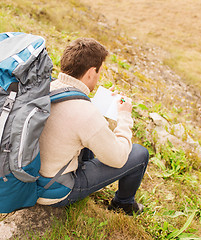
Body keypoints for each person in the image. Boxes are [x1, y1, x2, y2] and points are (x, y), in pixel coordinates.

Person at [38, 38, 149, 215]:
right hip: (53, 190)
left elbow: (70, 116)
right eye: (99, 73)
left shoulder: (47, 86)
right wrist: (124, 116)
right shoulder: (86, 113)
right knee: (139, 154)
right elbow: (119, 158)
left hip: (28, 178)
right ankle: (123, 204)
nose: (98, 77)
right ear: (91, 72)